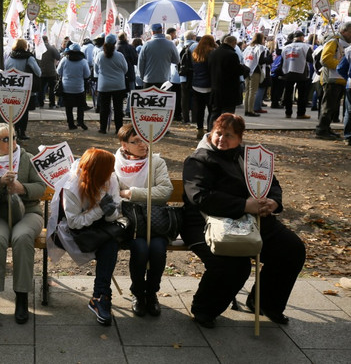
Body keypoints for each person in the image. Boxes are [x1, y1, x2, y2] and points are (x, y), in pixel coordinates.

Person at [181, 113, 306, 328]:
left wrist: (273, 202)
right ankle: (204, 308)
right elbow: (200, 197)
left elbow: (271, 183)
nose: (221, 139)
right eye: (218, 133)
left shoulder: (251, 158)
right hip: (205, 222)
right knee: (235, 266)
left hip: (252, 221)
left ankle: (265, 303)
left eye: (228, 135)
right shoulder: (198, 159)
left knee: (291, 249)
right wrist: (243, 205)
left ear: (240, 138)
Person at [0, 123, 46, 325]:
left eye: (13, 137)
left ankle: (21, 296)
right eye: (5, 139)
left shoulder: (27, 159)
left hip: (28, 213)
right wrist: (0, 183)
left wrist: (23, 188)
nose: (11, 142)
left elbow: (41, 186)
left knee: (22, 237)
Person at [46, 148, 122, 326]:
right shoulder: (72, 186)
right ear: (97, 172)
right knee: (107, 243)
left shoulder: (110, 178)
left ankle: (100, 296)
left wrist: (110, 212)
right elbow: (74, 223)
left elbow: (115, 210)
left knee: (110, 243)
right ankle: (102, 296)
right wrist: (99, 210)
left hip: (100, 227)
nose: (112, 172)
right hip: (73, 232)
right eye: (108, 169)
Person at [115, 124, 173, 317]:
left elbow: (164, 192)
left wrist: (131, 193)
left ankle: (152, 293)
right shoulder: (114, 163)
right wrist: (141, 195)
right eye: (136, 141)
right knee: (140, 249)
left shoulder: (156, 162)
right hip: (129, 223)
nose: (143, 144)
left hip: (155, 221)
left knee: (157, 250)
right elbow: (112, 193)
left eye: (145, 139)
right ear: (124, 144)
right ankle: (138, 294)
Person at [315, 21, 351, 140]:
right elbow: (325, 59)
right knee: (328, 106)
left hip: (340, 80)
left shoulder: (344, 43)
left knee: (333, 107)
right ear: (344, 31)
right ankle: (321, 129)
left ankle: (326, 128)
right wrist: (343, 66)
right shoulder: (334, 41)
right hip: (331, 79)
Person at [208, 35, 248, 130]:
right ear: (233, 43)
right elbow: (236, 70)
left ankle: (211, 132)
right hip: (229, 88)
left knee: (215, 113)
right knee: (228, 115)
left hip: (215, 87)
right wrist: (244, 68)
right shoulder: (232, 55)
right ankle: (225, 132)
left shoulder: (213, 53)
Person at [4, 38, 41, 140]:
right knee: (24, 111)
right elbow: (38, 72)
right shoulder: (29, 58)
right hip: (26, 88)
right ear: (25, 46)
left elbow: (6, 70)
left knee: (15, 110)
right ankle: (22, 132)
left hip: (13, 88)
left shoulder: (9, 57)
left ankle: (15, 130)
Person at [94, 34, 127, 134]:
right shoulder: (119, 55)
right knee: (118, 108)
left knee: (104, 108)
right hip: (118, 85)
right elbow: (125, 69)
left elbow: (96, 70)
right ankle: (118, 129)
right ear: (115, 42)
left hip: (104, 85)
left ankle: (102, 128)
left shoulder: (99, 55)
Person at [57, 43, 90, 130]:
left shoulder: (64, 60)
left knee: (68, 107)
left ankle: (71, 124)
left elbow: (58, 71)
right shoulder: (83, 61)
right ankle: (80, 121)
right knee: (80, 106)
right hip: (79, 87)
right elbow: (87, 75)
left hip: (66, 87)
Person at [281, 30, 313, 119]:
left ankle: (288, 112)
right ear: (302, 37)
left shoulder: (286, 47)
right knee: (302, 94)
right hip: (301, 72)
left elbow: (282, 60)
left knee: (288, 94)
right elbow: (310, 59)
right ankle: (300, 113)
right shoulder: (306, 47)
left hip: (288, 71)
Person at [137, 23, 180, 88]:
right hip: (165, 79)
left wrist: (142, 76)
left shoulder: (147, 45)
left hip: (149, 79)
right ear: (162, 30)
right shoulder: (170, 44)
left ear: (152, 32)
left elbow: (141, 63)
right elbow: (177, 60)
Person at [191, 35, 217, 139]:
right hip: (209, 85)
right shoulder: (212, 52)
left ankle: (199, 129)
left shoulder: (195, 53)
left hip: (197, 84)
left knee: (199, 109)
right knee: (211, 109)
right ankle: (210, 130)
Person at [242, 33, 269, 117]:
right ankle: (250, 110)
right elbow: (261, 60)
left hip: (247, 69)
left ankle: (246, 109)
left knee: (247, 91)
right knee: (253, 91)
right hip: (255, 70)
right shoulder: (261, 48)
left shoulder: (248, 48)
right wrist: (269, 58)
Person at [38, 35, 61, 108]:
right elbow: (58, 57)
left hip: (41, 71)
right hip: (51, 71)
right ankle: (52, 104)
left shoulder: (38, 48)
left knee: (41, 89)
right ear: (47, 40)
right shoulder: (51, 48)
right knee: (52, 88)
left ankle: (40, 103)